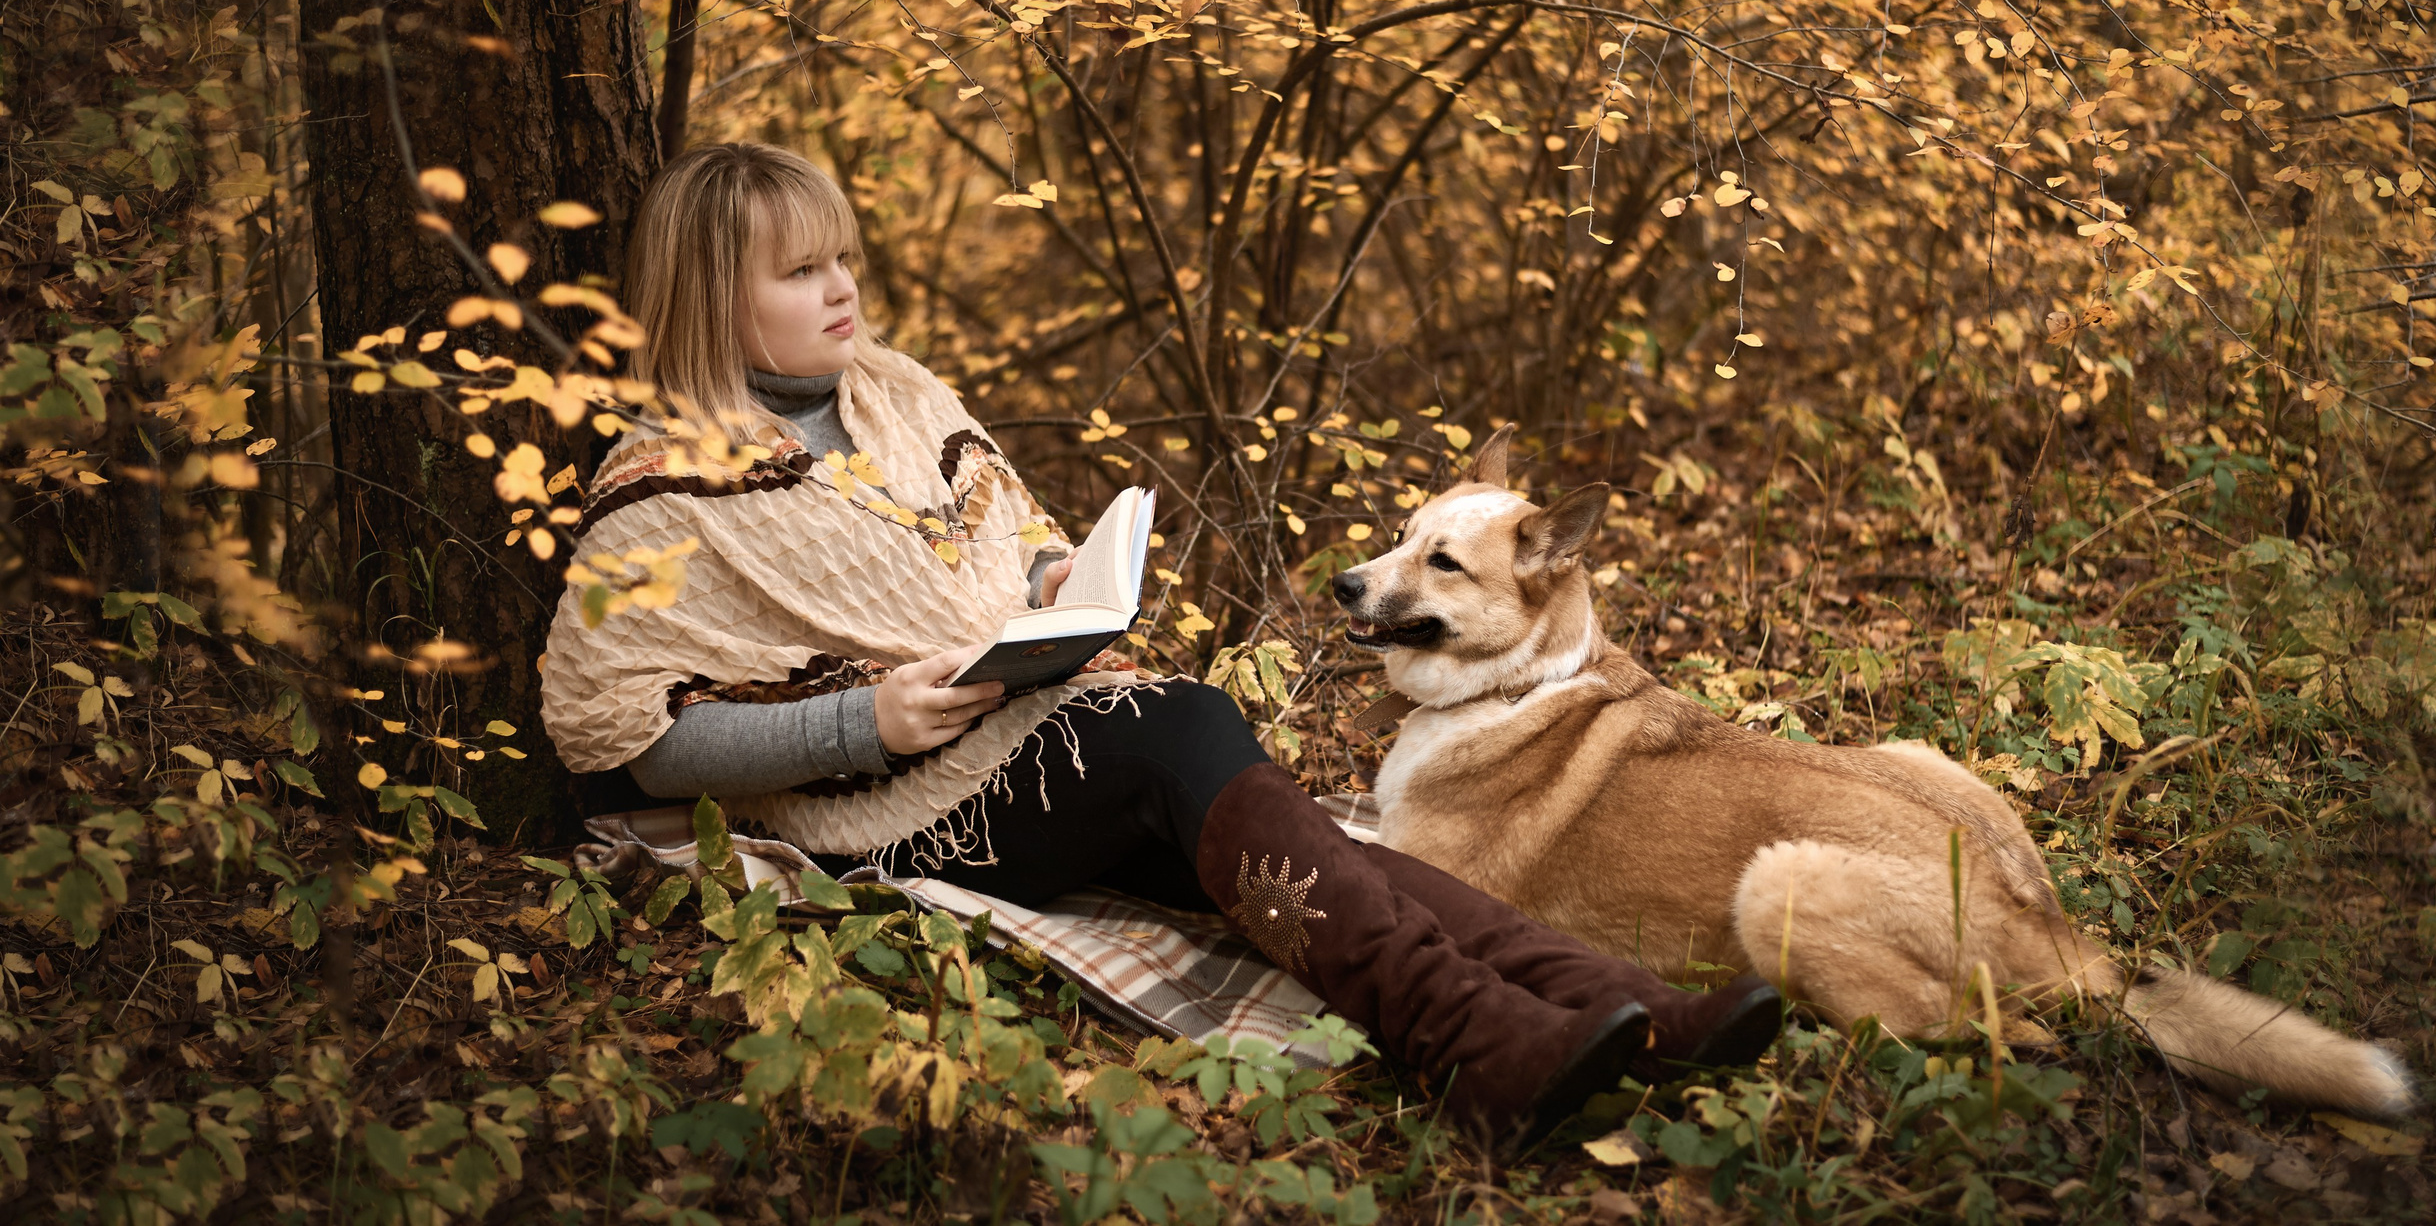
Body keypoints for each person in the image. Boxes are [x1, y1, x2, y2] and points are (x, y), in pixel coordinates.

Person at [538, 141, 1777, 1152]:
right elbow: (634, 739)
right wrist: (861, 722)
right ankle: (1470, 1041)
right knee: (1174, 729)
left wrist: (1055, 578)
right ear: (713, 294)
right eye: (803, 271)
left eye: (845, 256)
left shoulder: (897, 393)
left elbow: (994, 549)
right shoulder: (663, 486)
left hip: (1019, 736)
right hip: (887, 802)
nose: (843, 288)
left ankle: (1615, 1011)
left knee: (1287, 836)